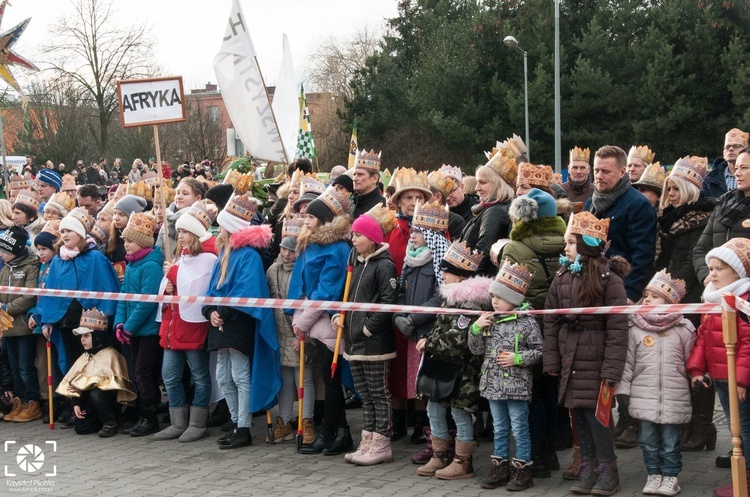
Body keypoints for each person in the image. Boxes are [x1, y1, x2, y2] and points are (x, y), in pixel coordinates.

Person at [543, 211, 629, 495]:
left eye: (570, 242)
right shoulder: (562, 276)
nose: (565, 248)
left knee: (598, 418)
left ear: (586, 245)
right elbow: (551, 320)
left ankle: (608, 470)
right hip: (571, 358)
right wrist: (552, 359)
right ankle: (589, 467)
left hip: (597, 359)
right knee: (578, 415)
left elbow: (617, 329)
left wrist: (611, 370)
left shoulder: (609, 279)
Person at [202, 194, 280, 450]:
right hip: (221, 319)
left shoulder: (248, 255)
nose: (217, 230)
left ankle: (244, 426)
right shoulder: (225, 252)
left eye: (221, 226)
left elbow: (246, 291)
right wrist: (210, 310)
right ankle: (236, 422)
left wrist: (222, 312)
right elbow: (213, 287)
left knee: (240, 375)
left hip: (237, 321)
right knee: (223, 376)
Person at [498, 188, 565, 478]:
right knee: (550, 392)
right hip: (559, 328)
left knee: (533, 394)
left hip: (526, 331)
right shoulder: (567, 244)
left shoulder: (515, 249)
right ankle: (551, 454)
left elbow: (506, 292)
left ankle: (535, 457)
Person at [415, 240, 492, 480]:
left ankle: (463, 461)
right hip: (440, 365)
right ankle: (439, 454)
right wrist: (428, 337)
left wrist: (431, 344)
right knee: (434, 406)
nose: (443, 274)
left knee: (460, 411)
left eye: (447, 270)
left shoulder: (469, 302)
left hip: (462, 369)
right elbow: (441, 328)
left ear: (460, 276)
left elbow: (459, 338)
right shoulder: (450, 298)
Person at [616, 270, 695, 497]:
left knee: (671, 441)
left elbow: (692, 362)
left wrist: (698, 378)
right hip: (644, 396)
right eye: (647, 295)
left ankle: (671, 477)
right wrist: (623, 390)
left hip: (674, 396)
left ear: (670, 302)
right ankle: (653, 474)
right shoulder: (636, 329)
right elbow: (628, 363)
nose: (648, 299)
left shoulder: (684, 329)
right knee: (647, 440)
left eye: (655, 296)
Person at [288, 186, 352, 455]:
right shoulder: (310, 245)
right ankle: (335, 432)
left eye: (311, 217)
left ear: (324, 220)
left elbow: (325, 292)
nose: (305, 220)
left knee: (331, 380)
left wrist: (301, 323)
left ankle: (336, 433)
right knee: (326, 379)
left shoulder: (336, 249)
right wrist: (299, 319)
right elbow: (302, 286)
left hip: (328, 323)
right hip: (312, 321)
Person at [469, 260, 542, 491]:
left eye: (500, 297)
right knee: (499, 428)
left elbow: (539, 351)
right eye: (493, 297)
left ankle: (522, 470)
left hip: (517, 386)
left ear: (515, 299)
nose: (495, 301)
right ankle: (500, 468)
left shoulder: (528, 321)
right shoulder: (490, 319)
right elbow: (476, 349)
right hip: (492, 385)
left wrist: (518, 359)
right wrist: (476, 329)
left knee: (519, 427)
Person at [687, 237, 750, 497]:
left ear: (737, 272)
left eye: (718, 269)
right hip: (721, 376)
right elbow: (703, 336)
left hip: (738, 380)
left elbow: (747, 342)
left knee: (744, 428)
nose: (711, 273)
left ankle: (745, 480)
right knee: (737, 427)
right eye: (710, 268)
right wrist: (696, 369)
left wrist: (742, 380)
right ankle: (742, 477)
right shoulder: (714, 298)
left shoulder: (743, 300)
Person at [337, 208, 398, 465]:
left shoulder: (384, 266)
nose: (353, 240)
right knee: (364, 394)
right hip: (353, 341)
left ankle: (382, 441)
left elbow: (388, 302)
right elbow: (349, 296)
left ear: (372, 238)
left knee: (378, 393)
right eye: (353, 235)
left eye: (358, 235)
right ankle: (368, 438)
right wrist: (340, 317)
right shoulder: (356, 262)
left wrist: (367, 328)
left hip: (373, 342)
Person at [36, 207, 119, 393]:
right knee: (70, 364)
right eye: (62, 231)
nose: (64, 234)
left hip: (91, 324)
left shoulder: (96, 258)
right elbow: (50, 293)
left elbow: (108, 288)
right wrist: (47, 320)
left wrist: (106, 318)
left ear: (80, 234)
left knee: (93, 367)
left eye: (69, 231)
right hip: (66, 322)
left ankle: (96, 410)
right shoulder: (58, 261)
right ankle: (75, 405)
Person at [155, 201, 218, 443]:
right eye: (178, 231)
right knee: (169, 375)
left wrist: (172, 274)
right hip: (173, 326)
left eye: (184, 232)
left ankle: (197, 422)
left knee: (199, 376)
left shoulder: (207, 258)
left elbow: (194, 288)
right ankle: (177, 421)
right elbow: (172, 288)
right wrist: (170, 279)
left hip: (192, 327)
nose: (179, 236)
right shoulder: (180, 258)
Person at [392, 200, 450, 453]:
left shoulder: (438, 259)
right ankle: (426, 437)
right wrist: (400, 316)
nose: (412, 236)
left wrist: (413, 318)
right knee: (417, 385)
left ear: (428, 235)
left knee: (431, 388)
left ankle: (434, 439)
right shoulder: (411, 260)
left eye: (416, 232)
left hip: (430, 333)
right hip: (412, 332)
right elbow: (401, 291)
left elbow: (442, 295)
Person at [385, 167, 433, 438]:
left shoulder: (436, 227)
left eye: (419, 198)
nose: (414, 203)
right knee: (396, 365)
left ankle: (421, 422)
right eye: (408, 198)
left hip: (423, 304)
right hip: (395, 303)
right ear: (399, 200)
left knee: (419, 364)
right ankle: (398, 420)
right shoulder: (389, 227)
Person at [585, 145, 656, 303]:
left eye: (606, 171)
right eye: (596, 170)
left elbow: (643, 256)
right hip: (591, 287)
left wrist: (630, 293)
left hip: (620, 288)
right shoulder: (590, 203)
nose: (599, 176)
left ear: (623, 172)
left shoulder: (638, 204)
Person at [114, 213, 164, 437]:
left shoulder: (151, 265)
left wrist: (129, 327)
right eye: (124, 240)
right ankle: (145, 413)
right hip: (133, 329)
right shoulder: (131, 264)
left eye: (130, 241)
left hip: (149, 329)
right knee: (139, 372)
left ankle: (150, 417)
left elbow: (147, 302)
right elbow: (124, 296)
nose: (126, 244)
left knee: (143, 371)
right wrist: (119, 323)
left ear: (142, 242)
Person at [56, 308, 136, 437]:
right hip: (91, 401)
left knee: (96, 393)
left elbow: (111, 386)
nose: (82, 340)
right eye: (82, 336)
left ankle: (111, 421)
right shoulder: (86, 355)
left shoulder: (111, 355)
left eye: (87, 336)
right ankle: (100, 419)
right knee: (81, 428)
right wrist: (76, 404)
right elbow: (76, 382)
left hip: (106, 399)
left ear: (97, 336)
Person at [266, 227, 312, 444]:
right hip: (279, 334)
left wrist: (302, 333)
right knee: (284, 381)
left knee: (303, 380)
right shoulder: (272, 271)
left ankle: (306, 421)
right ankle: (284, 422)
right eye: (284, 249)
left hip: (299, 333)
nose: (286, 254)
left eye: (291, 251)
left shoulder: (305, 270)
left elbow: (308, 304)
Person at [0, 226, 41, 423]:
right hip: (7, 328)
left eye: (5, 251)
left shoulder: (30, 266)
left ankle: (31, 401)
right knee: (14, 367)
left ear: (15, 249)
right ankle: (19, 400)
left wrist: (6, 307)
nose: (1, 254)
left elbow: (30, 296)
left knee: (26, 367)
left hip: (23, 326)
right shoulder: (5, 268)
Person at [694, 147, 750, 287]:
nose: (737, 173)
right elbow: (700, 248)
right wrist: (707, 276)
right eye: (736, 168)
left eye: (744, 168)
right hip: (717, 291)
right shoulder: (722, 205)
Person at [459, 142, 516, 276]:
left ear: (498, 185)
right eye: (477, 182)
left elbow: (481, 254)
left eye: (483, 182)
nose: (477, 187)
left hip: (479, 285)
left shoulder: (495, 211)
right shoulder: (490, 209)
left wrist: (462, 279)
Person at [156, 178, 207, 257]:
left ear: (198, 198)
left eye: (185, 193)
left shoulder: (202, 224)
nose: (179, 197)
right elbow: (158, 251)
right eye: (177, 193)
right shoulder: (167, 221)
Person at [108, 195, 148, 282]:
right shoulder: (113, 237)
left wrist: (129, 275)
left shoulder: (142, 241)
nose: (116, 218)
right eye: (114, 213)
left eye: (121, 214)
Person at [702, 128, 749, 199]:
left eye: (736, 146)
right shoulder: (710, 178)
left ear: (747, 150)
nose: (730, 149)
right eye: (727, 147)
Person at [427, 169, 466, 241]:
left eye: (426, 196)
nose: (422, 200)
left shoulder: (456, 222)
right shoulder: (418, 216)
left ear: (438, 197)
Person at [352, 150, 386, 219]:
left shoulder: (381, 207)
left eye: (360, 174)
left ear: (375, 178)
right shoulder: (352, 203)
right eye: (354, 174)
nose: (354, 179)